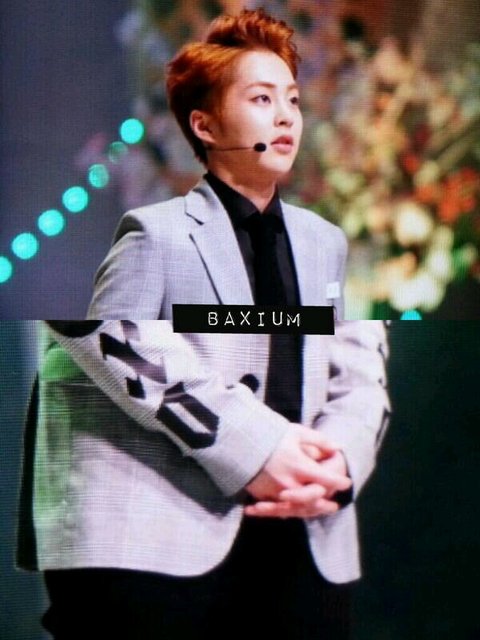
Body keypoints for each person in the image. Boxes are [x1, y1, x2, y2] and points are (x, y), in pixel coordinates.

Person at [17, 9, 390, 640]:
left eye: (293, 100)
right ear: (205, 125)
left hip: (303, 536)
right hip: (158, 538)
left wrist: (337, 466)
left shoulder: (325, 241)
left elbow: (360, 361)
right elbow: (109, 338)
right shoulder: (155, 232)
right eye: (262, 99)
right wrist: (256, 446)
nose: (286, 117)